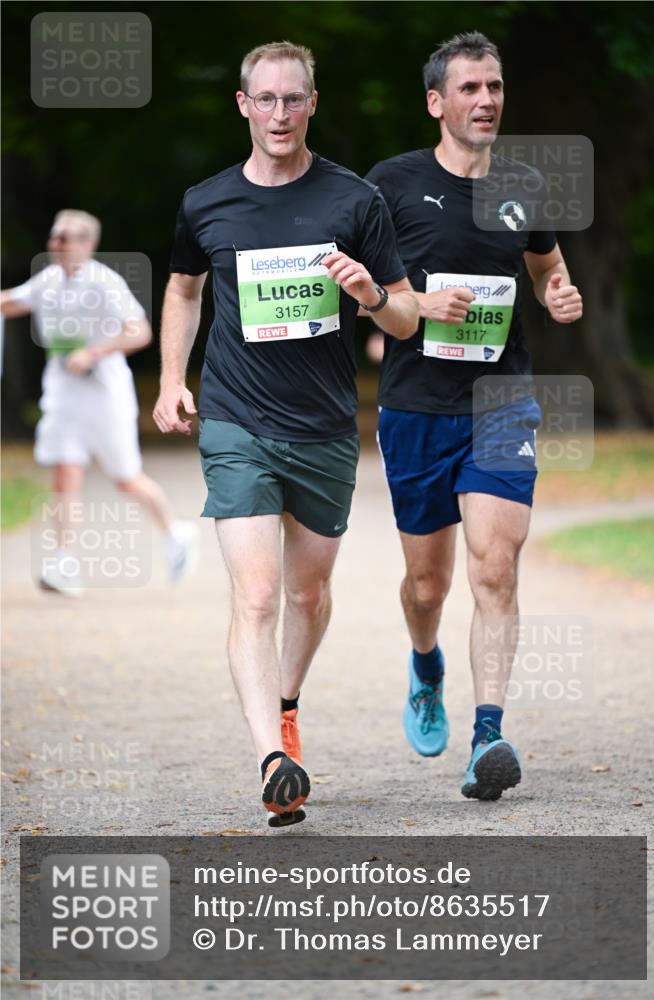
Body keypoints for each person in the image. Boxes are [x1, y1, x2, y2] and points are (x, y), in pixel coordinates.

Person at [153, 41, 418, 825]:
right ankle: (272, 758)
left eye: (291, 100)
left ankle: (288, 706)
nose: (277, 114)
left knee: (307, 591)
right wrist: (173, 377)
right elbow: (181, 289)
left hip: (325, 425)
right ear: (243, 105)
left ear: (311, 104)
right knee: (258, 593)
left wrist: (370, 294)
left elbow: (403, 316)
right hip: (236, 417)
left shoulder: (354, 200)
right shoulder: (207, 202)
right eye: (263, 100)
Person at [366, 32, 583, 801]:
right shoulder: (389, 185)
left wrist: (558, 292)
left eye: (493, 86)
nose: (485, 99)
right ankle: (426, 666)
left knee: (495, 566)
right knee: (427, 585)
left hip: (500, 399)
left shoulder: (522, 183)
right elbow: (359, 288)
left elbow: (546, 262)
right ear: (436, 102)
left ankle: (486, 737)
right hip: (416, 404)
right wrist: (410, 305)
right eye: (468, 89)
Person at [1, 210, 199, 596]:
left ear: (88, 244)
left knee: (125, 478)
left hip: (105, 396)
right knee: (65, 474)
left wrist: (93, 353)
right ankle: (65, 562)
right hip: (62, 396)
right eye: (55, 237)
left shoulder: (104, 283)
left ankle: (176, 533)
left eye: (67, 238)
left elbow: (139, 331)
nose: (58, 244)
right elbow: (12, 302)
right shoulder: (49, 279)